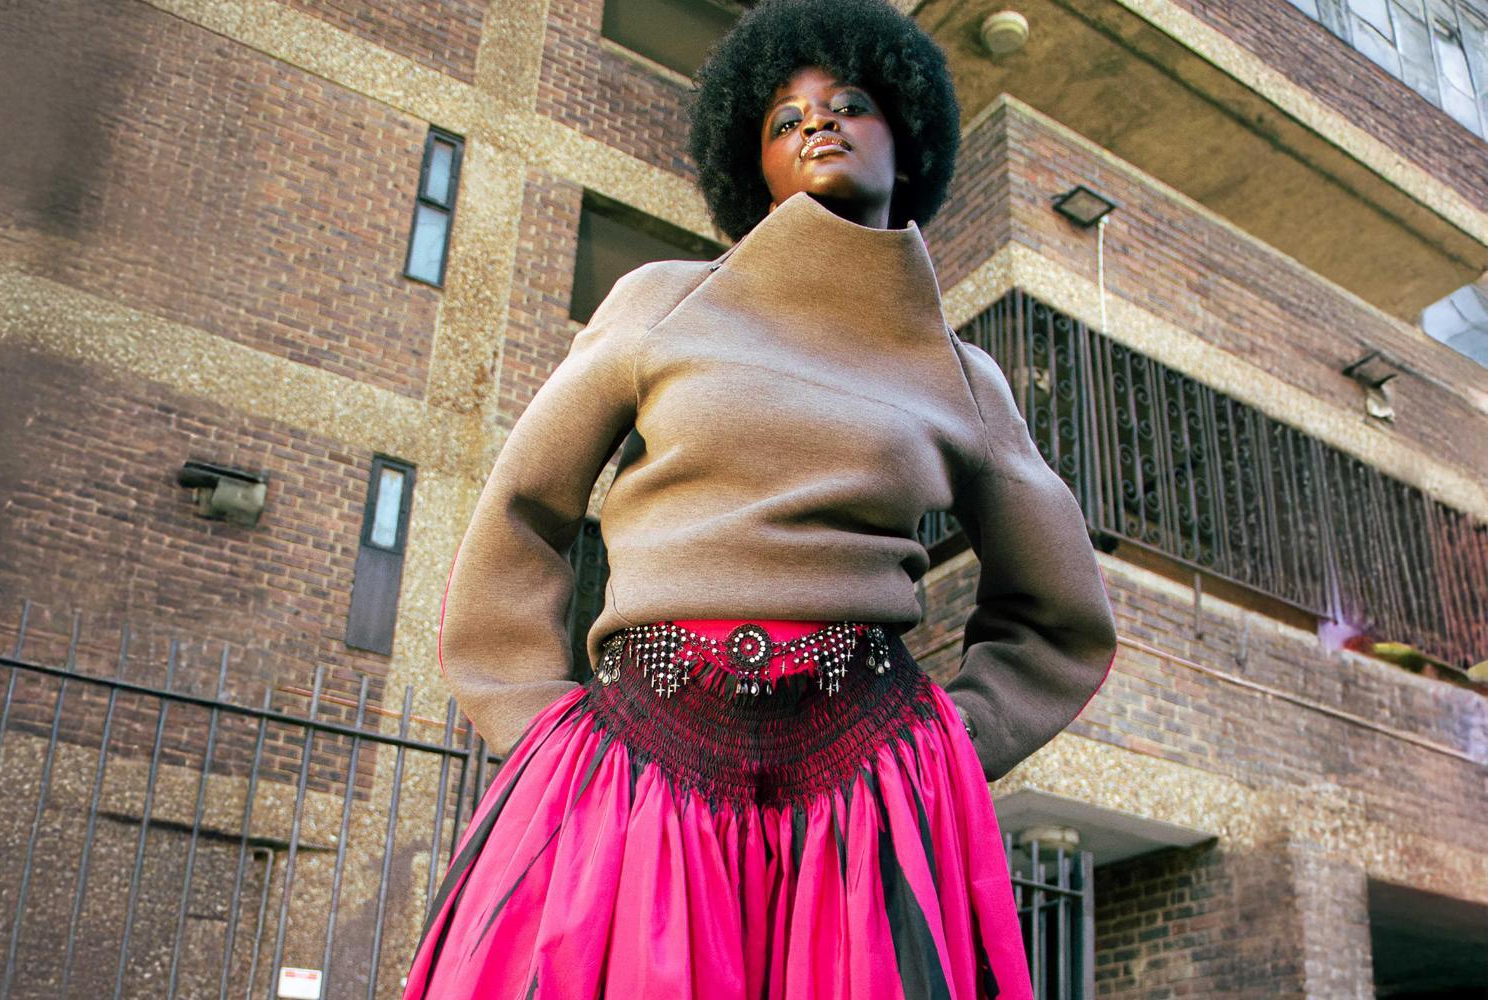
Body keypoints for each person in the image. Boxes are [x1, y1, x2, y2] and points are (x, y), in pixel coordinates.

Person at [401, 0, 1117, 996]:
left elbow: (1058, 618)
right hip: (639, 775)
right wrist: (544, 731)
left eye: (850, 103)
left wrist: (951, 747)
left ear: (907, 138)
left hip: (865, 806)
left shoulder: (965, 378)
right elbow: (525, 505)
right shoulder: (661, 302)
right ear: (756, 166)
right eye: (785, 118)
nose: (819, 121)